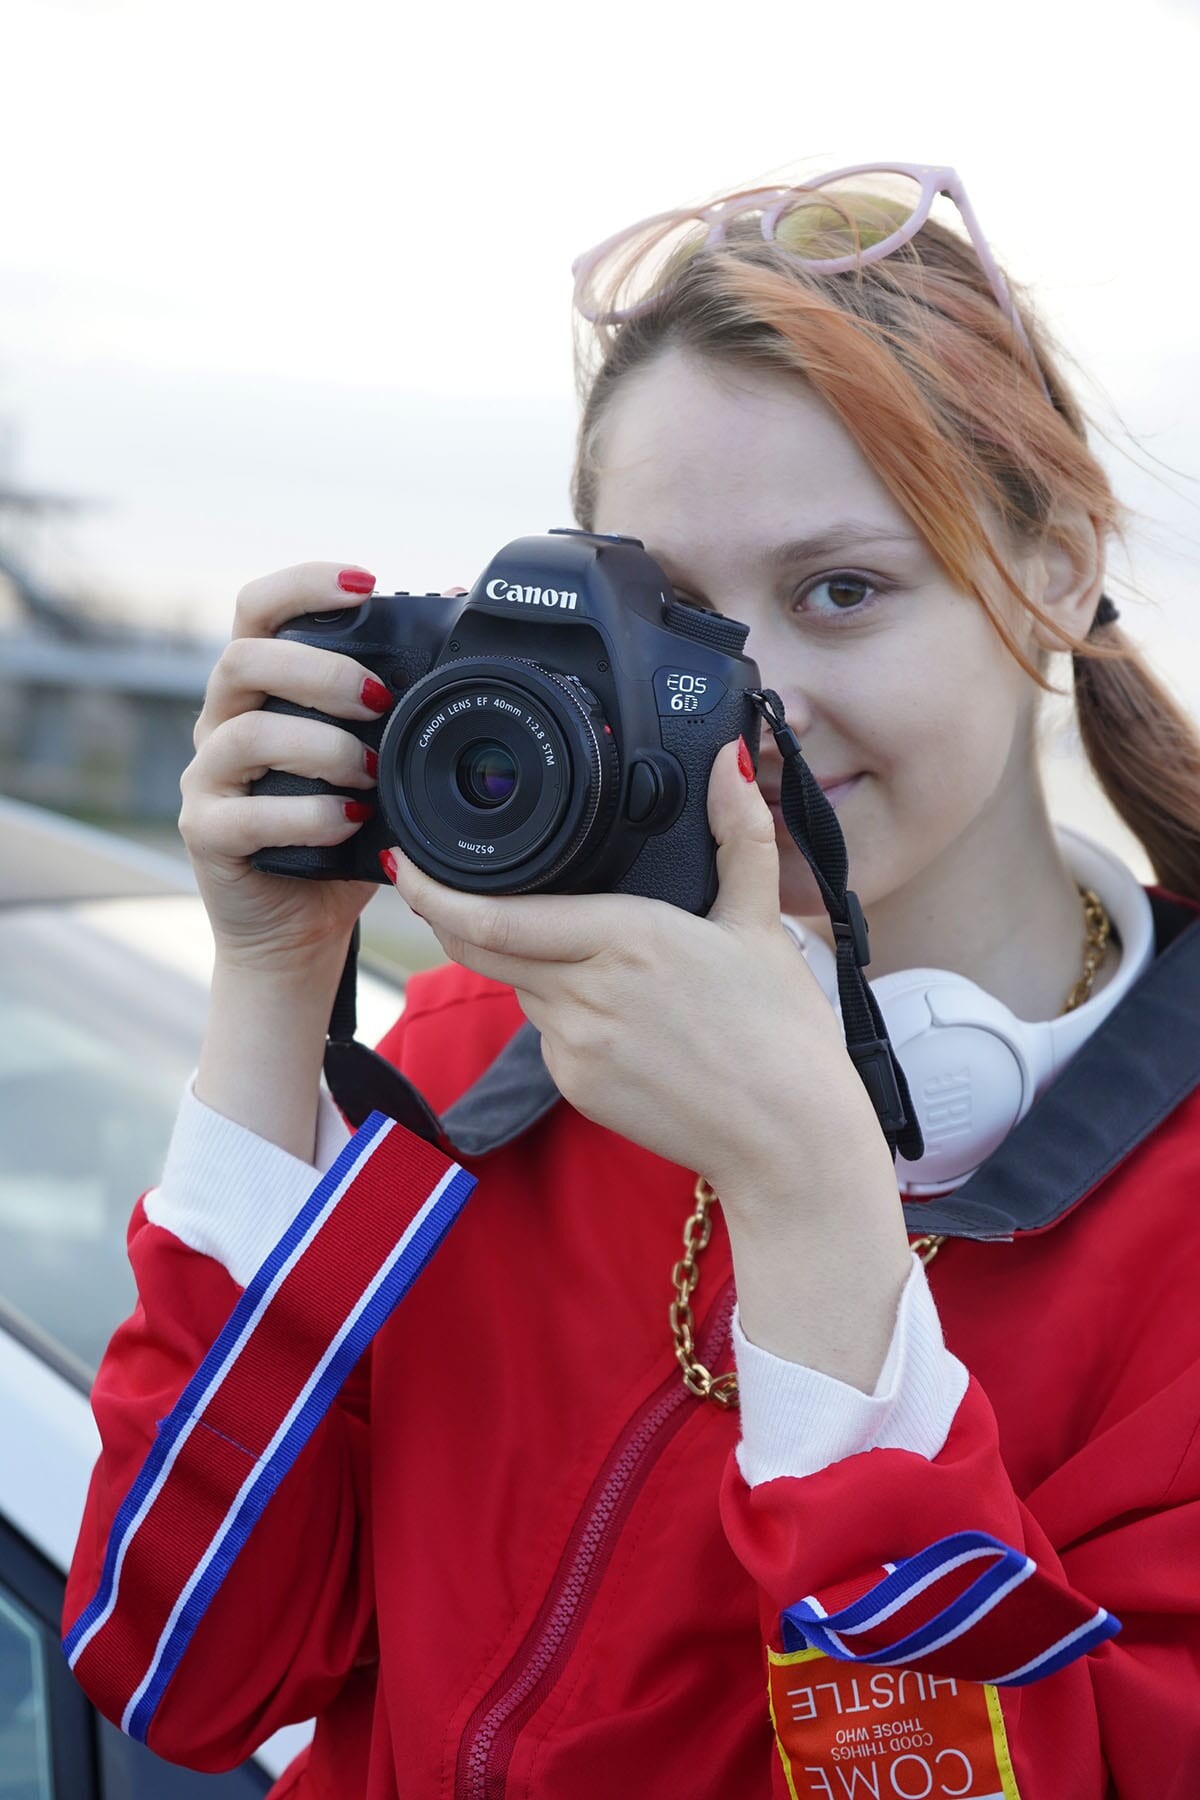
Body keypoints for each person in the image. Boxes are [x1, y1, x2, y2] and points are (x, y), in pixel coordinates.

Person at [63, 164, 1200, 1798]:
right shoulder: (494, 1058)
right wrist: (270, 986)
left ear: (1065, 564)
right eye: (668, 619)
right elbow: (178, 1665)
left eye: (841, 591)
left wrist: (814, 1210)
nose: (750, 710)